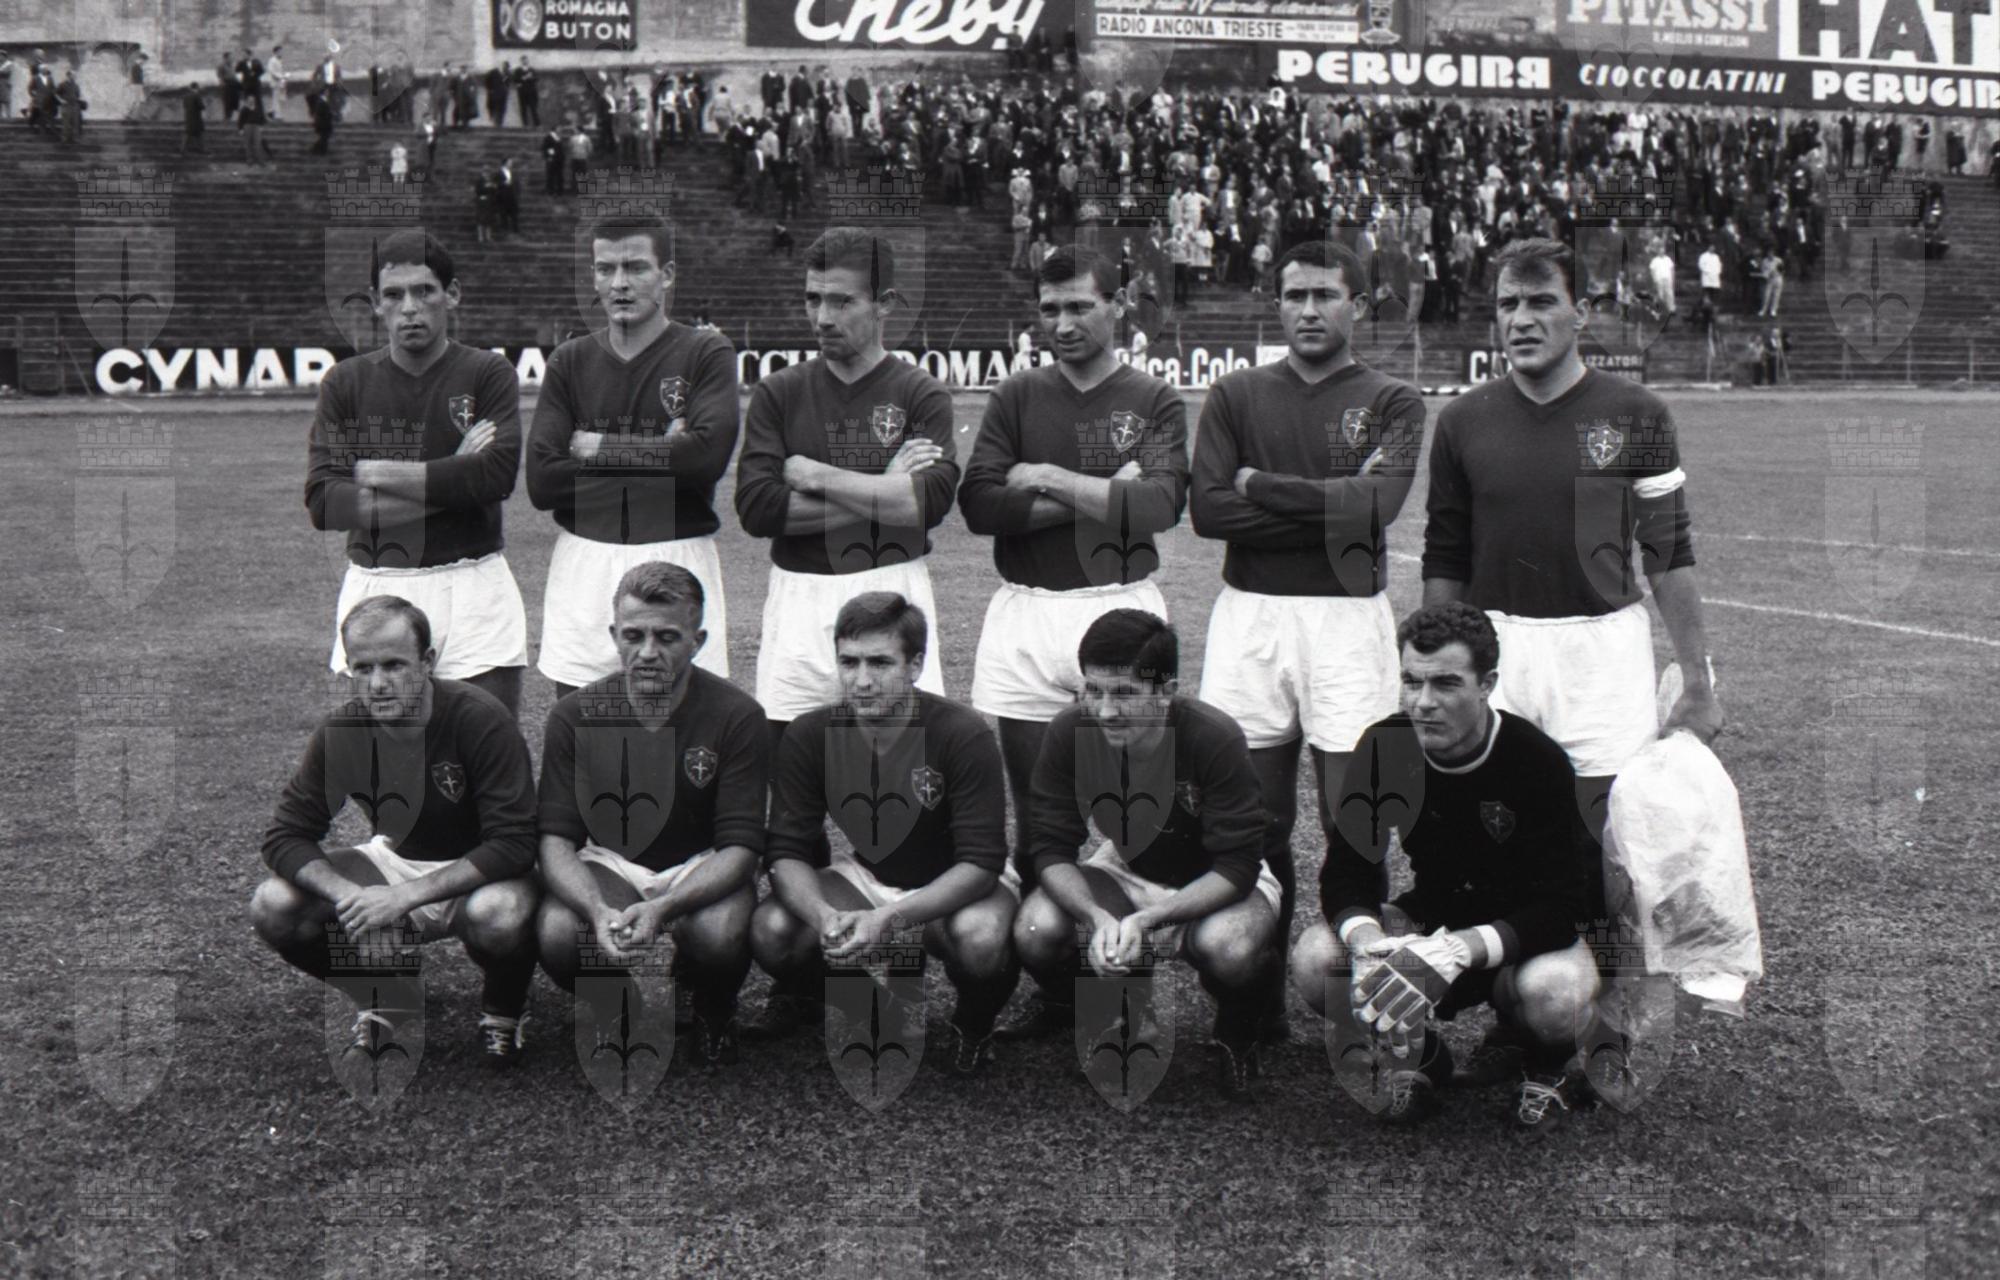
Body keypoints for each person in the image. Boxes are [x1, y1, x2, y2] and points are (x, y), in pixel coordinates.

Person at [1187, 239, 1426, 1041]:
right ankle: (1253, 1005)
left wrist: (1260, 485)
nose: (1310, 310)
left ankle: (1359, 1001)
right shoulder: (1235, 394)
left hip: (1347, 624)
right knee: (1252, 821)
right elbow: (1209, 512)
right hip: (1251, 619)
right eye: (1295, 295)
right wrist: (1334, 503)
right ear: (1277, 303)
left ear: (1359, 304)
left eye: (1326, 295)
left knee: (1353, 821)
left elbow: (1379, 509)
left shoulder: (1394, 400)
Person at [957, 245, 1190, 1033]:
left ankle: (1130, 983)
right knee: (1042, 812)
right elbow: (982, 506)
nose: (1062, 323)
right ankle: (1058, 987)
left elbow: (1156, 507)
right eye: (1050, 309)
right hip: (1028, 612)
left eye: (1080, 306)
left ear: (1117, 305)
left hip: (1120, 609)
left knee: (1138, 810)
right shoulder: (1017, 394)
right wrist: (1102, 493)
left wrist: (1048, 477)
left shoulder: (1153, 398)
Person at [1421, 236, 1722, 840]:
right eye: (1508, 304)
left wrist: (1697, 679)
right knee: (1491, 840)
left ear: (1581, 312)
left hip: (1602, 657)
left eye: (1541, 302)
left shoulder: (1638, 412)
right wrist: (1431, 668)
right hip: (1495, 650)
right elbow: (1446, 557)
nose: (1521, 320)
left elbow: (1668, 554)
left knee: (1603, 841)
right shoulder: (1461, 420)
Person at [1292, 602, 1608, 1130]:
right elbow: (1347, 870)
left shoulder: (1537, 760)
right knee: (1317, 958)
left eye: (1445, 684)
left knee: (1557, 994)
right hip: (1434, 915)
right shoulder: (1384, 745)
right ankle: (1419, 1059)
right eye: (1411, 682)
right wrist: (1371, 946)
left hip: (1522, 937)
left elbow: (1563, 905)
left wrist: (1459, 950)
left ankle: (1547, 1065)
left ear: (1487, 684)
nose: (1423, 702)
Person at [251, 596, 540, 1065]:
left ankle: (503, 1009)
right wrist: (353, 898)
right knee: (274, 905)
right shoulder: (343, 731)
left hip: (482, 873)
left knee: (500, 914)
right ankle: (390, 998)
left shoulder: (479, 718)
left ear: (427, 661)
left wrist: (403, 898)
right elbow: (285, 836)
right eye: (363, 668)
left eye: (393, 665)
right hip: (398, 860)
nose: (378, 684)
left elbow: (515, 843)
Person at [1013, 609, 1282, 1101]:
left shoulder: (1212, 735)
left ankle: (1239, 1029)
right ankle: (1123, 1015)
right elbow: (1050, 847)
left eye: (1124, 694)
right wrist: (1096, 916)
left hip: (1214, 879)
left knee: (1231, 945)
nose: (1105, 711)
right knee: (1037, 927)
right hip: (1128, 865)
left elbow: (1238, 866)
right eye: (1093, 691)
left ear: (1166, 691)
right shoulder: (1071, 730)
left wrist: (1150, 919)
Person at [750, 593, 1018, 1073]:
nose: (862, 680)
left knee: (982, 937)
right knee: (774, 931)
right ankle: (876, 1010)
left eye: (880, 663)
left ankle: (972, 1026)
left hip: (954, 884)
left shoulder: (962, 732)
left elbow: (980, 862)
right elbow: (786, 850)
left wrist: (889, 919)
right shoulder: (811, 733)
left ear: (915, 665)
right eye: (849, 662)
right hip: (870, 876)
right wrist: (823, 915)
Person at [535, 562, 769, 1068]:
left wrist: (665, 908)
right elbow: (554, 842)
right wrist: (596, 910)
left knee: (721, 931)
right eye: (633, 635)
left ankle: (713, 1006)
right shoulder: (574, 714)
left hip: (699, 862)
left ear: (697, 640)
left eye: (666, 637)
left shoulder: (738, 715)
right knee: (559, 932)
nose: (647, 652)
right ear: (613, 635)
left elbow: (740, 848)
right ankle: (617, 1002)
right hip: (614, 864)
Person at [733, 227, 958, 742]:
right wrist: (885, 488)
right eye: (813, 299)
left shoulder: (920, 393)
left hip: (893, 591)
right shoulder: (779, 392)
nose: (822, 318)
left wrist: (817, 476)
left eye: (842, 301)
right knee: (792, 765)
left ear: (884, 304)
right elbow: (759, 508)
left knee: (900, 764)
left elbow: (927, 503)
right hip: (798, 597)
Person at [306, 230, 530, 717]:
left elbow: (494, 477)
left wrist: (375, 471)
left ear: (452, 294)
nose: (409, 307)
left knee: (487, 746)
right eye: (394, 295)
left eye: (424, 291)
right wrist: (457, 478)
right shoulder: (345, 382)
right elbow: (327, 503)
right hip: (377, 584)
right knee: (384, 756)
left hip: (473, 581)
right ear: (375, 303)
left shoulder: (488, 373)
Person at [526, 214, 741, 699]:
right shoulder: (570, 360)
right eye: (606, 269)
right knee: (585, 720)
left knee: (683, 724)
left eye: (636, 267)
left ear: (667, 274)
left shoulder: (705, 352)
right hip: (586, 560)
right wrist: (665, 454)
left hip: (679, 554)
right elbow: (543, 482)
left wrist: (597, 447)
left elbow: (704, 460)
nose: (619, 283)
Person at [181, 82, 205, 154]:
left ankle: (183, 149)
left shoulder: (185, 96)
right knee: (199, 133)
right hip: (196, 117)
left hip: (188, 117)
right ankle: (201, 149)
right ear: (196, 88)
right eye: (197, 88)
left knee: (188, 133)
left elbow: (184, 106)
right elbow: (201, 106)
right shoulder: (197, 95)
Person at [485, 60, 509, 128]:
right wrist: (490, 89)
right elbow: (487, 80)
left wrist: (506, 90)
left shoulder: (507, 73)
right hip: (495, 94)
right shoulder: (493, 72)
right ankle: (495, 122)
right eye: (504, 66)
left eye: (506, 67)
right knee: (494, 108)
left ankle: (500, 122)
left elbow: (507, 83)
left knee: (502, 108)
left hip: (503, 94)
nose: (505, 68)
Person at [515, 59, 538, 127]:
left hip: (531, 92)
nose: (525, 62)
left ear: (528, 61)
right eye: (523, 60)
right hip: (522, 93)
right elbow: (516, 80)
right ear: (521, 62)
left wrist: (531, 77)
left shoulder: (531, 70)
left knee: (533, 108)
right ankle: (525, 124)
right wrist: (524, 78)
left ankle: (536, 123)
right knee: (523, 109)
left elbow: (536, 78)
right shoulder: (518, 71)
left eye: (526, 60)